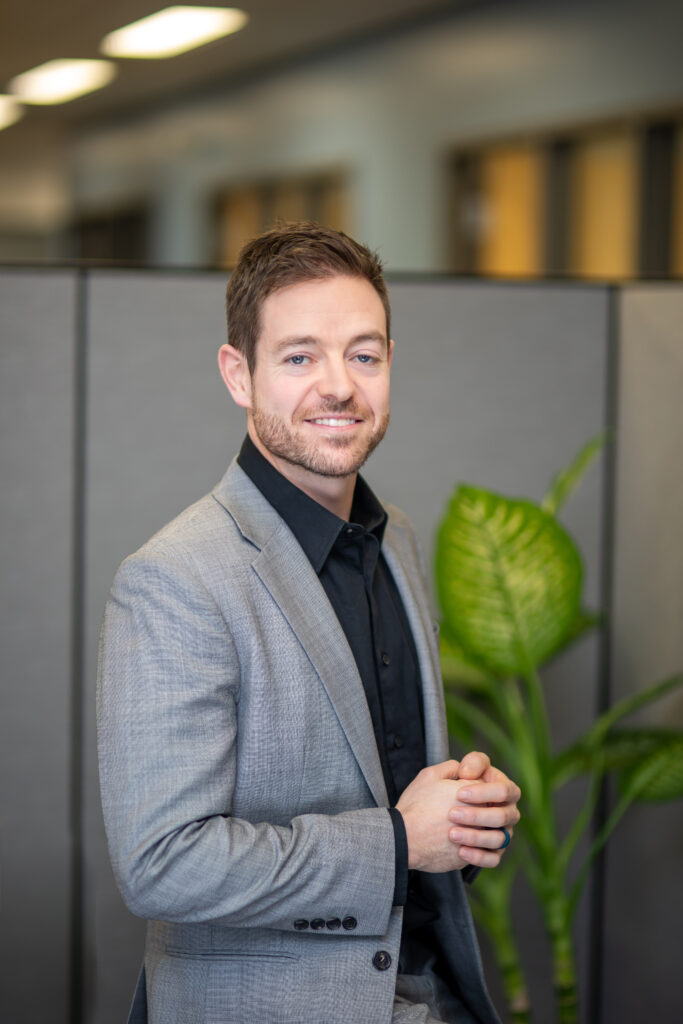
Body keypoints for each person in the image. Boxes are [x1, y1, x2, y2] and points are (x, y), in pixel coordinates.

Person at [97, 222, 521, 1024]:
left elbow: (385, 779)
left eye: (363, 355)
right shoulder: (176, 578)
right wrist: (400, 842)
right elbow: (162, 864)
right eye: (299, 358)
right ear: (239, 374)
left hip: (431, 994)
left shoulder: (394, 538)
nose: (339, 387)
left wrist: (459, 820)